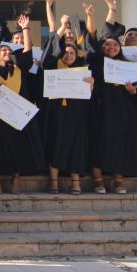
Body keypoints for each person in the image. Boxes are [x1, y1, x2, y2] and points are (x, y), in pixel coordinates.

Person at [0, 14, 46, 194]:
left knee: (18, 146)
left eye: (9, 51)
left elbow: (27, 51)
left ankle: (16, 177)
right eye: (3, 51)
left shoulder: (18, 69)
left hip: (16, 114)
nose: (7, 53)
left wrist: (25, 29)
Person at [84, 2, 137, 194]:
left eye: (115, 44)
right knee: (99, 142)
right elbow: (92, 38)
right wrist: (91, 16)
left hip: (122, 110)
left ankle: (119, 179)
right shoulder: (97, 61)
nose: (111, 47)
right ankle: (98, 180)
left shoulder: (129, 66)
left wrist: (132, 91)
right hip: (101, 108)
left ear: (121, 48)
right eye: (107, 44)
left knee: (121, 143)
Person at [39, 17, 93, 195]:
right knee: (56, 143)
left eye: (72, 53)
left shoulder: (82, 71)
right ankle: (54, 182)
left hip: (76, 114)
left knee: (76, 145)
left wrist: (91, 84)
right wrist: (61, 27)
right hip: (56, 113)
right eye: (66, 53)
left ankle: (75, 182)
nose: (69, 56)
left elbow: (89, 95)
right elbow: (48, 55)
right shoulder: (53, 67)